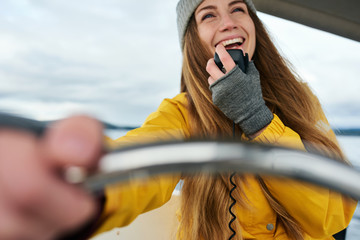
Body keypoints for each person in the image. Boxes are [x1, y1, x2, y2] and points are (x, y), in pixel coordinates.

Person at [0, 0, 357, 239]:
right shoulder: (183, 111)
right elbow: (142, 160)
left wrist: (257, 118)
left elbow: (332, 216)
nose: (229, 23)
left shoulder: (302, 99)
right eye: (208, 15)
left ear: (254, 24)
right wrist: (84, 189)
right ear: (192, 39)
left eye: (238, 9)